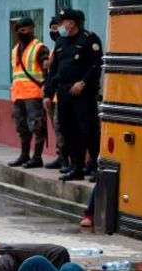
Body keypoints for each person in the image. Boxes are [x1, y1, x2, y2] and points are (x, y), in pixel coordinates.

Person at [43, 9, 102, 182]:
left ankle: (95, 167)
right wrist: (48, 94)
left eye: (62, 22)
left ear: (72, 23)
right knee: (69, 130)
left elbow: (96, 64)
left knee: (88, 130)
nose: (59, 26)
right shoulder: (61, 41)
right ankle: (76, 167)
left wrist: (83, 82)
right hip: (64, 93)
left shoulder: (89, 39)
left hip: (83, 94)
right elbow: (54, 71)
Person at [7, 17, 48, 168]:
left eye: (24, 29)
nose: (20, 32)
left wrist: (47, 91)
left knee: (37, 126)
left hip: (33, 94)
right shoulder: (15, 49)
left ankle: (37, 157)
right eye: (18, 30)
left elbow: (47, 71)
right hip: (18, 95)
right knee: (21, 127)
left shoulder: (40, 48)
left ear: (32, 29)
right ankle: (24, 155)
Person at [43, 16, 69, 171]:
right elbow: (51, 74)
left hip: (65, 94)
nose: (54, 31)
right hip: (54, 94)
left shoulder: (67, 46)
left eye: (57, 27)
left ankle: (67, 159)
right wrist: (47, 94)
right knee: (57, 126)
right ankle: (61, 157)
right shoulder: (55, 49)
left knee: (62, 126)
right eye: (52, 28)